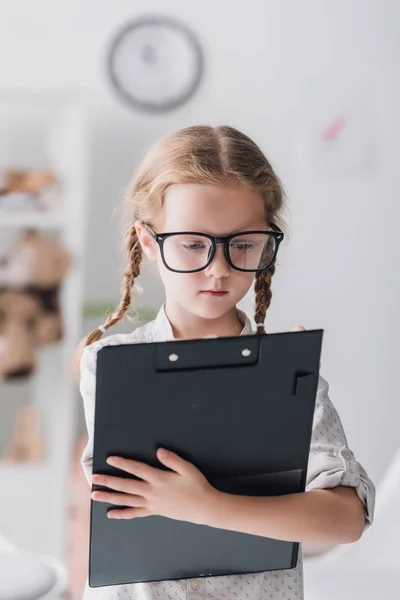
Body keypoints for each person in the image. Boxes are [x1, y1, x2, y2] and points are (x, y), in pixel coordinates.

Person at [77, 125, 375, 600]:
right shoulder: (111, 364)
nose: (219, 269)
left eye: (242, 244)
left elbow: (346, 519)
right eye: (193, 244)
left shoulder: (288, 371)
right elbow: (113, 510)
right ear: (150, 243)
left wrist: (208, 505)